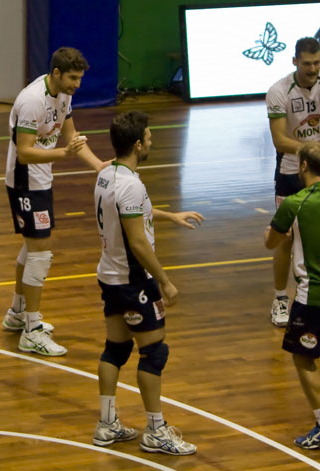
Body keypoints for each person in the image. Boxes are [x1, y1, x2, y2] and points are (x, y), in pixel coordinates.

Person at [92, 111, 203, 455]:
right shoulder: (131, 185)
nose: (152, 142)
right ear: (138, 144)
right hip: (134, 280)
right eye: (150, 138)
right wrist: (165, 281)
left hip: (110, 275)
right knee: (154, 353)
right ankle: (156, 430)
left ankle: (107, 423)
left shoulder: (106, 175)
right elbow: (138, 242)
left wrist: (170, 216)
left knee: (116, 349)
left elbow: (135, 216)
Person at [2, 46, 107, 356]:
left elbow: (71, 137)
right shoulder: (32, 101)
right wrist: (63, 154)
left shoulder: (63, 95)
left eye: (80, 79)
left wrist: (98, 165)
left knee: (32, 247)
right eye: (73, 78)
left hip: (41, 179)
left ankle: (17, 313)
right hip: (25, 182)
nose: (77, 85)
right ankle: (31, 330)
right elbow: (25, 152)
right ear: (56, 73)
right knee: (40, 252)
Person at [264, 141, 320, 449]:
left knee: (302, 356)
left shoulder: (295, 203)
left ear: (303, 166)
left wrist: (276, 234)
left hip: (312, 293)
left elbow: (271, 242)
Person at [265, 37, 320, 327]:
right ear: (295, 61)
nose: (313, 69)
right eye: (306, 64)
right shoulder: (278, 91)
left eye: (317, 62)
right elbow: (279, 140)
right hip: (291, 171)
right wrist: (311, 151)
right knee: (286, 237)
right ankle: (280, 298)